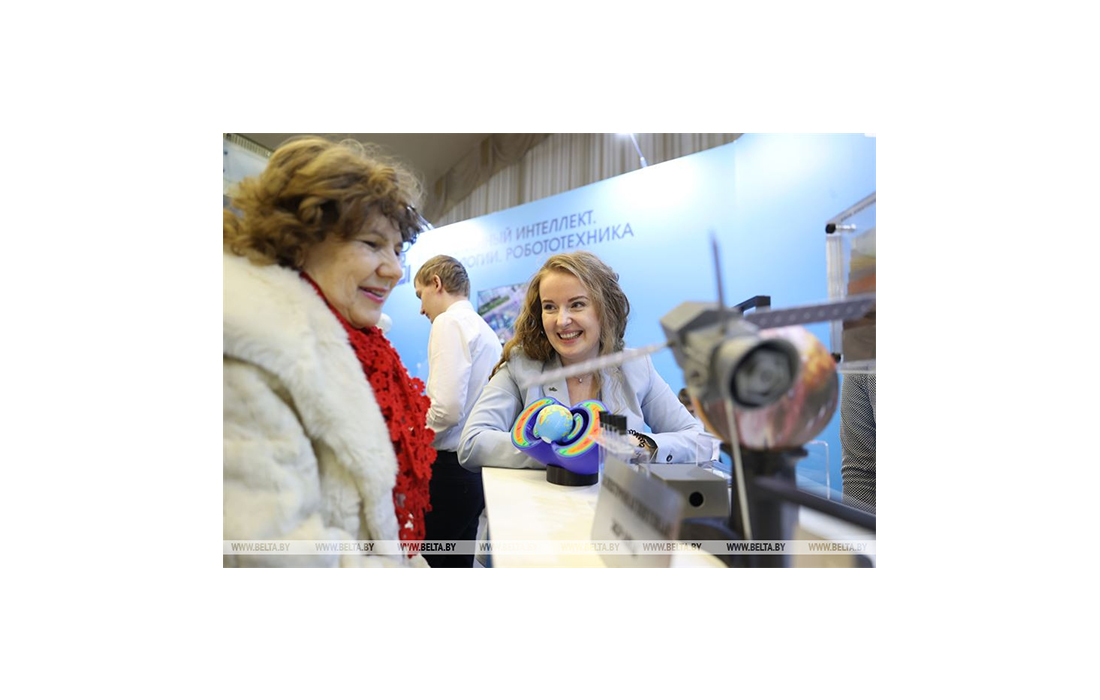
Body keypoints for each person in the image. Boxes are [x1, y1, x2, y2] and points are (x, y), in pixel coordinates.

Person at [223, 136, 436, 567]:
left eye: (398, 249)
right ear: (299, 240)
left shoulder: (363, 343)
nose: (395, 269)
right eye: (372, 243)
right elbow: (277, 554)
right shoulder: (252, 354)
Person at [458, 251, 718, 470]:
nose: (562, 320)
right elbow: (471, 443)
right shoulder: (521, 366)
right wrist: (553, 450)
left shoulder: (636, 366)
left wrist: (639, 445)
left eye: (577, 304)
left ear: (605, 309)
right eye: (550, 307)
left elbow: (702, 442)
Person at [414, 255, 503, 567]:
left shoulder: (448, 322)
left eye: (420, 295)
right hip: (473, 472)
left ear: (436, 283)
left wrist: (413, 440)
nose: (421, 309)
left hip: (447, 472)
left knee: (430, 566)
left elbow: (446, 409)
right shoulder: (485, 330)